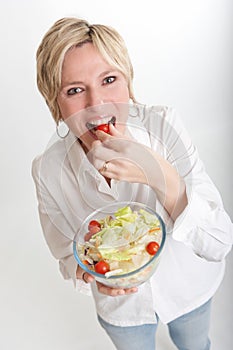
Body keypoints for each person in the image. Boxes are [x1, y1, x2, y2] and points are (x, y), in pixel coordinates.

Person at [32, 17, 233, 350]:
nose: (97, 103)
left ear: (128, 83)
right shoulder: (48, 169)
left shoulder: (165, 125)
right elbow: (66, 252)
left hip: (189, 288)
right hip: (123, 310)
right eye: (75, 90)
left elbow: (218, 240)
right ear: (55, 102)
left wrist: (155, 171)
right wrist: (91, 274)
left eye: (109, 79)